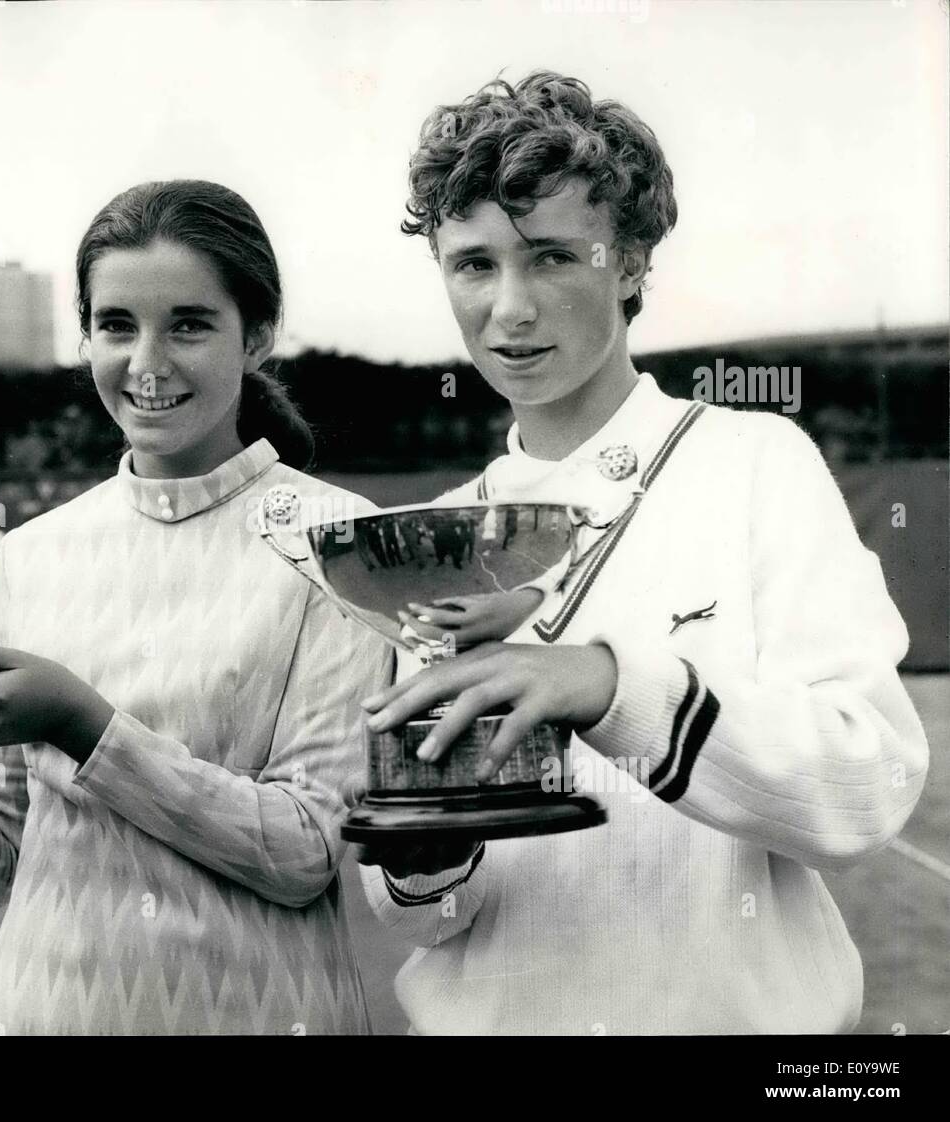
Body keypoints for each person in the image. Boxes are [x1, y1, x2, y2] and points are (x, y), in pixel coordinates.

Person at [0, 180, 391, 1035]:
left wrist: (88, 726)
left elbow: (306, 850)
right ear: (85, 335)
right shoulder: (33, 552)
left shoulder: (340, 540)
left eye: (189, 324)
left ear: (258, 336)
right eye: (117, 325)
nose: (147, 363)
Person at [354, 71, 929, 1034]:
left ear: (629, 263)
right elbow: (432, 920)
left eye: (549, 258)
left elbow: (865, 784)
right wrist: (421, 854)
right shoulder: (435, 539)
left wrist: (614, 687)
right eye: (473, 265)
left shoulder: (754, 464)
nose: (510, 309)